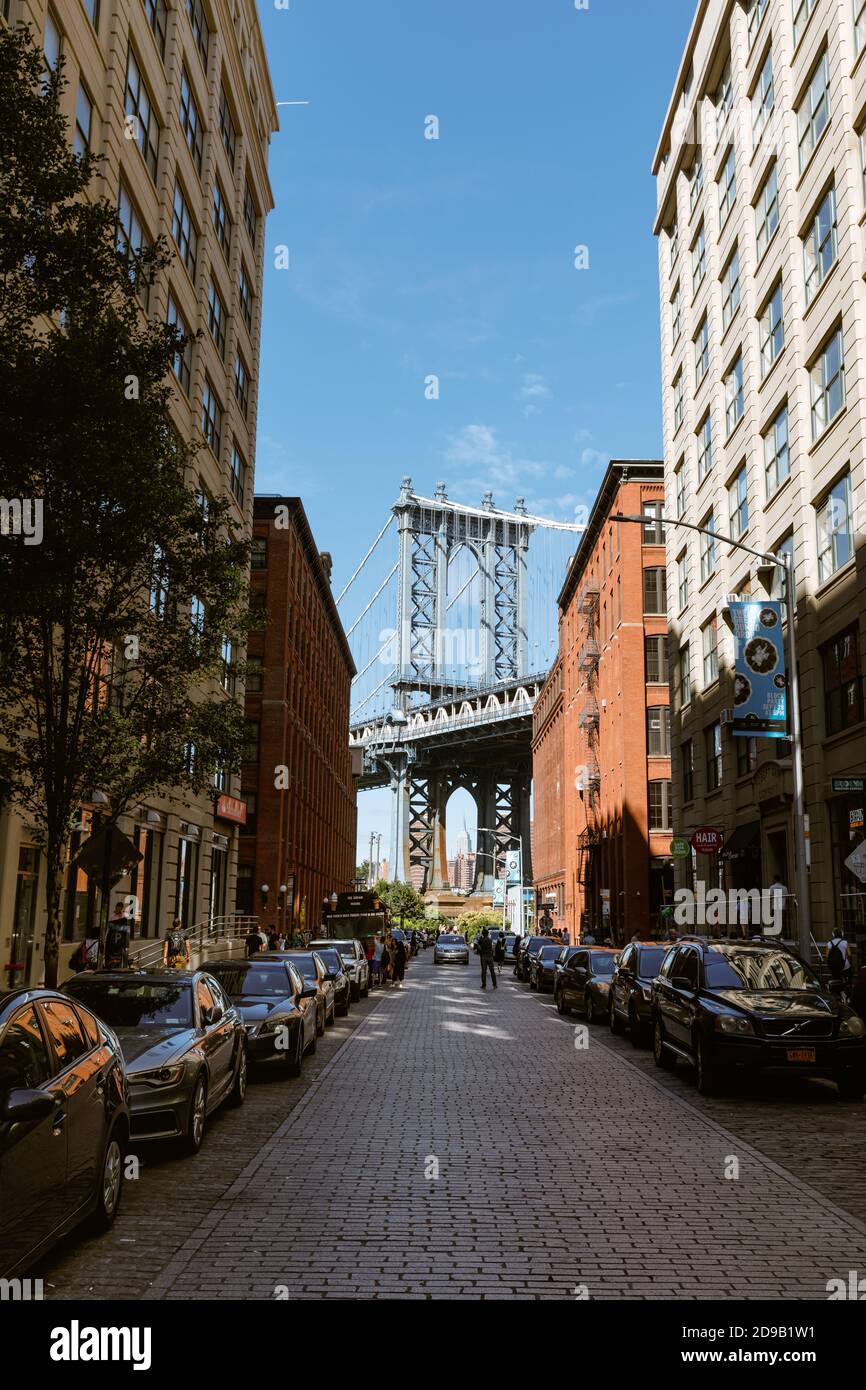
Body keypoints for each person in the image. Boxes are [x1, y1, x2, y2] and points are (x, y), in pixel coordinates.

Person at [105, 901, 132, 969]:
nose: (118, 910)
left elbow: (126, 926)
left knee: (119, 953)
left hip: (120, 938)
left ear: (121, 908)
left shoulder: (124, 915)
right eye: (117, 908)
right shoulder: (111, 916)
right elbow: (109, 925)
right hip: (112, 938)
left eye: (120, 908)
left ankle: (118, 965)